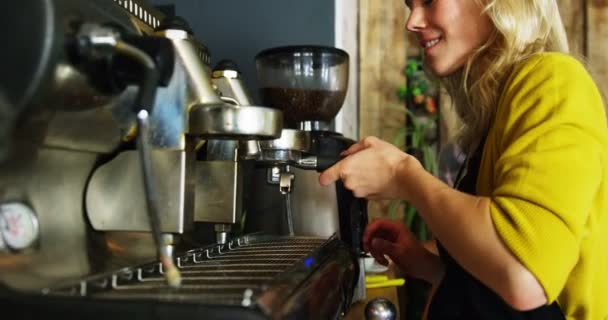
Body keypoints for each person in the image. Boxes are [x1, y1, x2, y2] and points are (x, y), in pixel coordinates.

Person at [319, 0, 608, 319]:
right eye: (409, 5)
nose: (412, 21)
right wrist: (429, 264)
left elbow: (524, 276)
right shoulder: (497, 116)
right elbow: (496, 282)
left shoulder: (554, 80)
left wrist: (404, 175)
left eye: (428, 1)